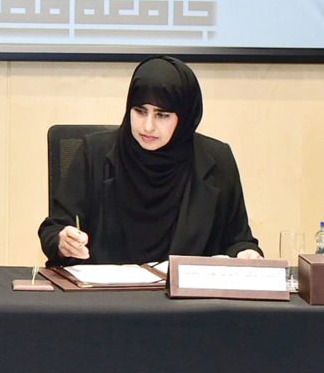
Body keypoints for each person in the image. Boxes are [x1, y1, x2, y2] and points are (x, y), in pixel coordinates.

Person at [38, 54, 262, 266]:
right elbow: (55, 228)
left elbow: (238, 239)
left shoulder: (217, 160)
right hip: (105, 300)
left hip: (187, 303)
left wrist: (246, 254)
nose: (147, 126)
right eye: (140, 111)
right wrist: (62, 241)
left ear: (184, 117)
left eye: (162, 115)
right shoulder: (94, 153)